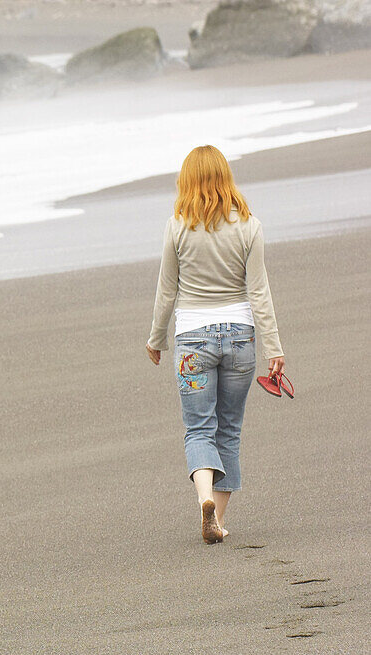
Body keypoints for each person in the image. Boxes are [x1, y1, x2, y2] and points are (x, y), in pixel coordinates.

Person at [145, 144, 285, 545]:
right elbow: (259, 293)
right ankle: (217, 521)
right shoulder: (250, 226)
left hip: (192, 341)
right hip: (240, 338)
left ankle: (204, 500)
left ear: (186, 180)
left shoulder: (177, 226)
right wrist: (274, 347)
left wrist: (156, 337)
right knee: (229, 430)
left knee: (198, 429)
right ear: (226, 177)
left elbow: (166, 290)